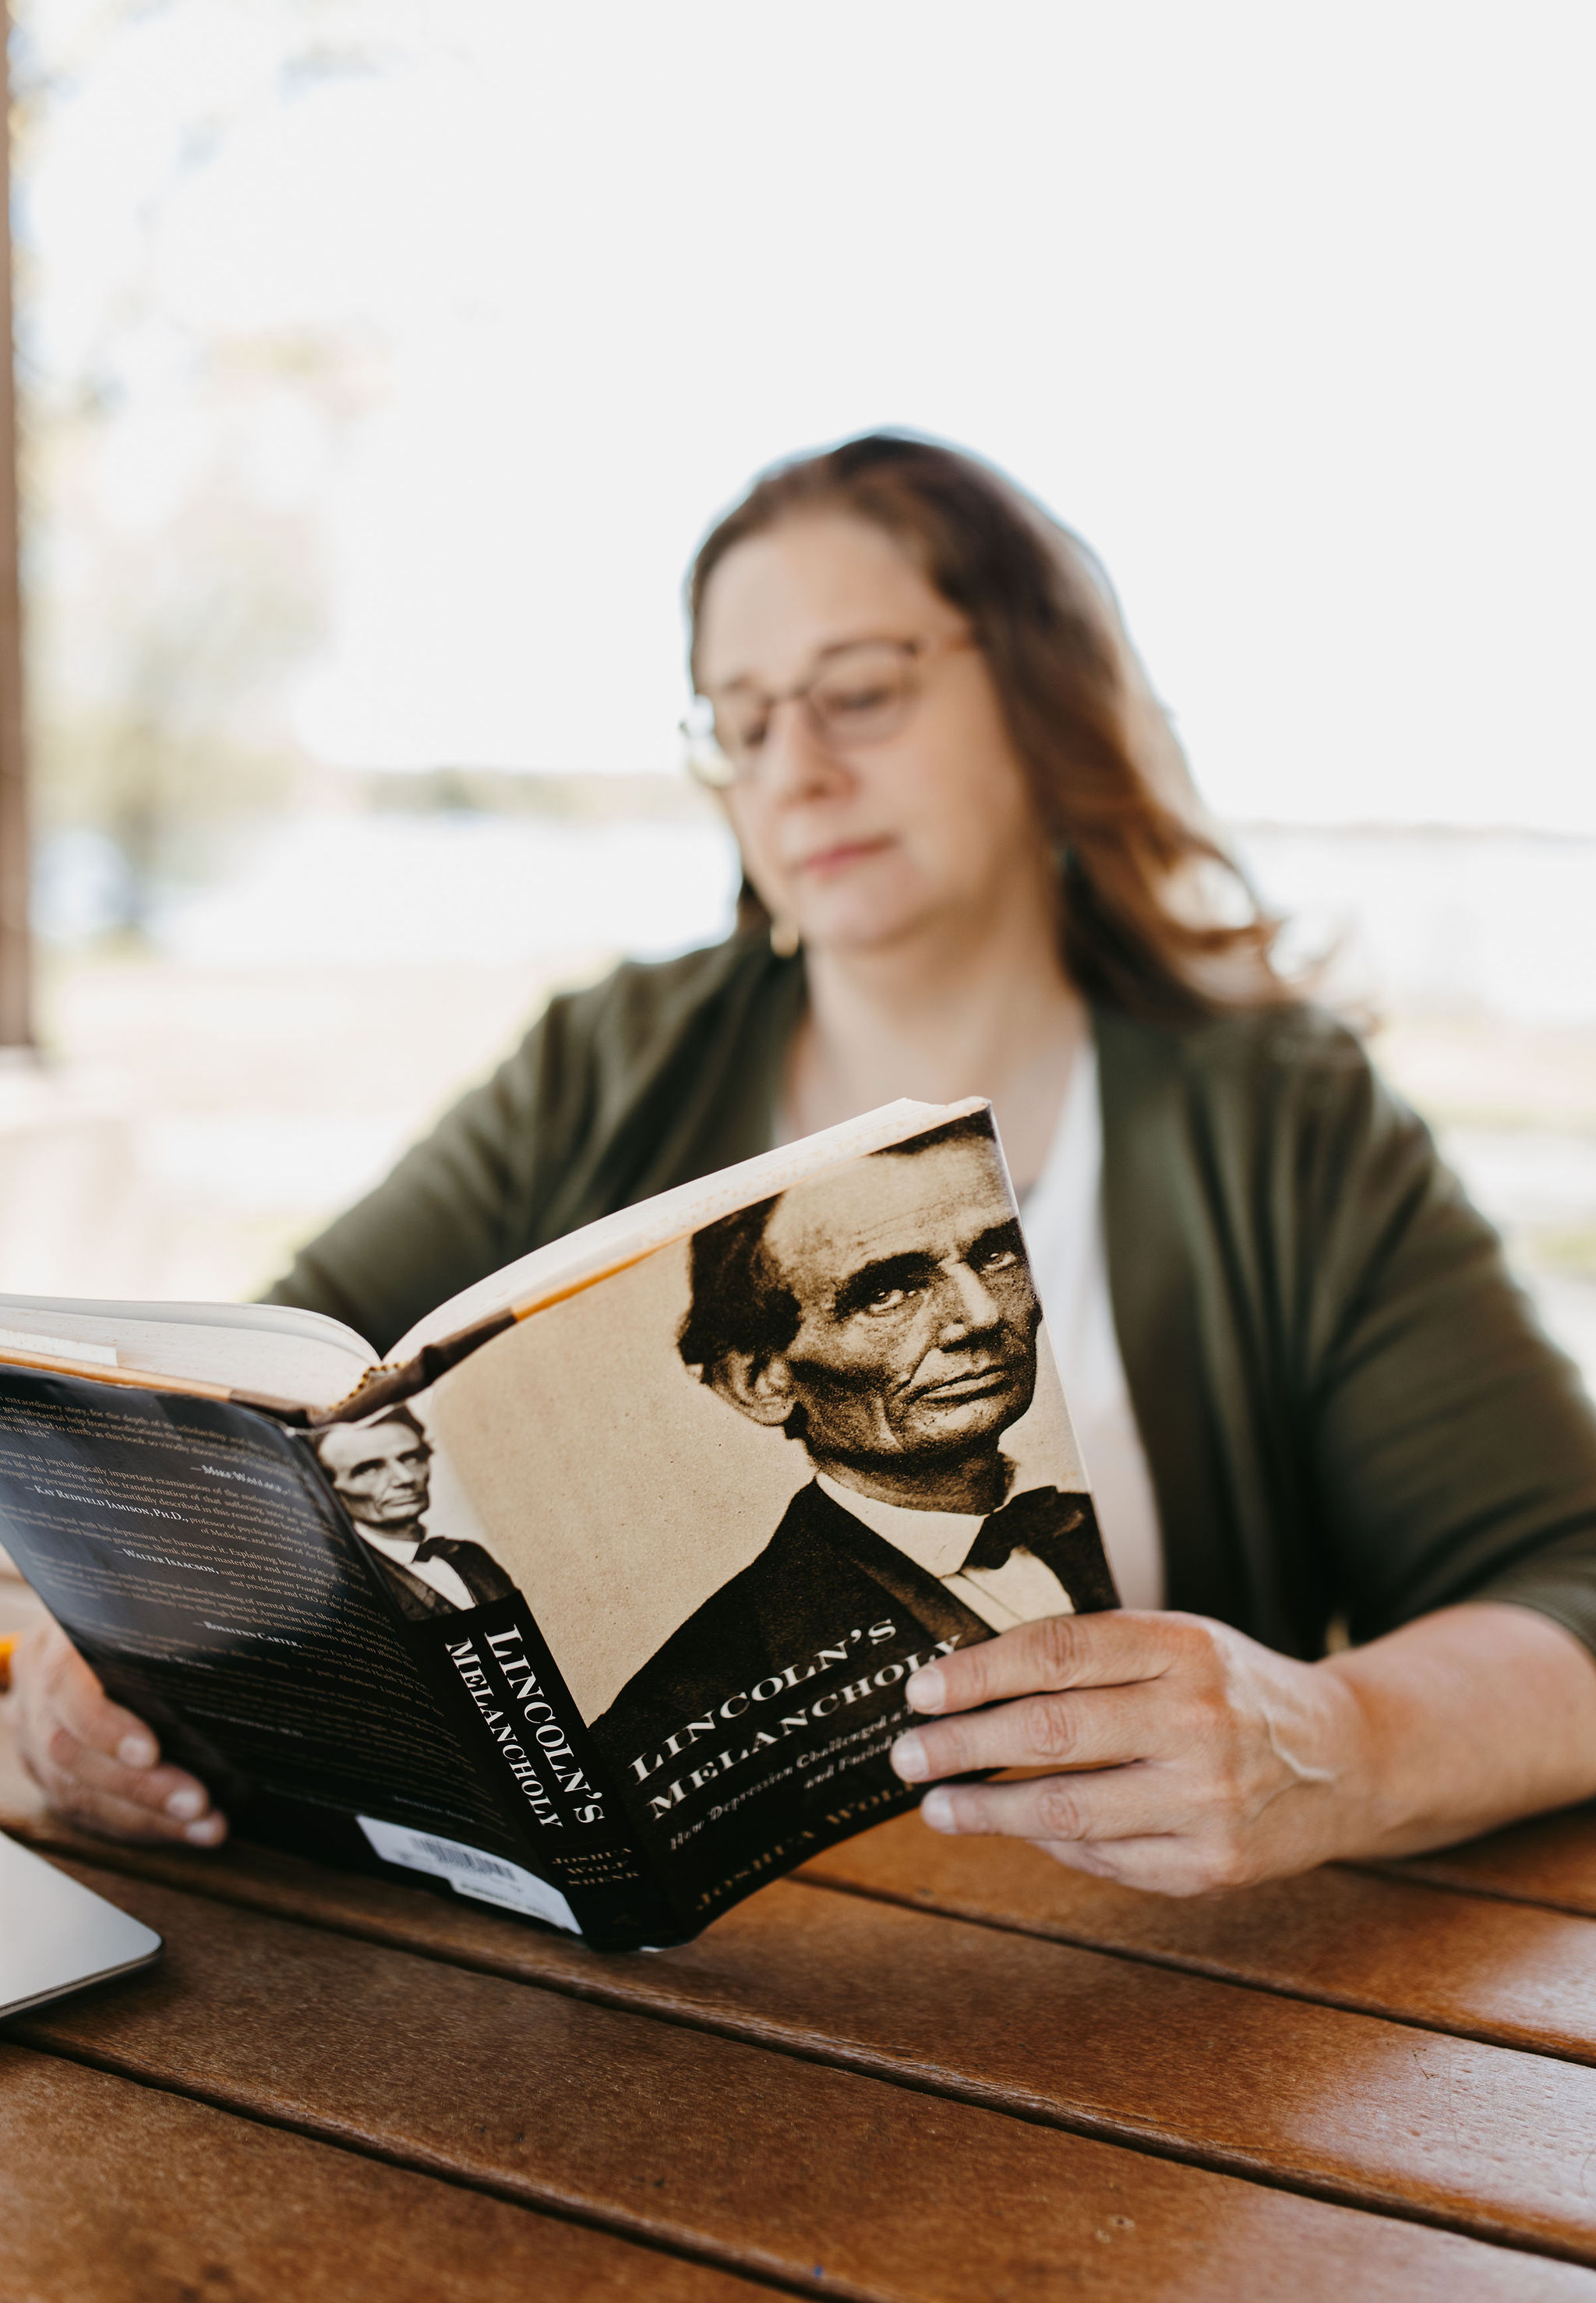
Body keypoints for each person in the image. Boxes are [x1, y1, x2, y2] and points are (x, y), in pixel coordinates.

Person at [15, 430, 1596, 1893]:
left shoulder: (1281, 1117)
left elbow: (1570, 1578)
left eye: (858, 692)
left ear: (1044, 696)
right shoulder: (607, 1062)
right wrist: (112, 1664)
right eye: (744, 718)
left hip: (1169, 2021)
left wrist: (1331, 1737)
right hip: (675, 2037)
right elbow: (258, 1432)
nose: (795, 767)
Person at [591, 1115, 1115, 1785]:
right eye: (888, 1292)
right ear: (761, 1380)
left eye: (998, 1254)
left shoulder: (1117, 1512)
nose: (981, 1315)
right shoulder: (684, 1702)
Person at [311, 1408, 521, 1620]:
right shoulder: (348, 1583)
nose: (405, 1478)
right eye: (369, 1469)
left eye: (410, 1459)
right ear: (330, 1489)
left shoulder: (471, 1555)